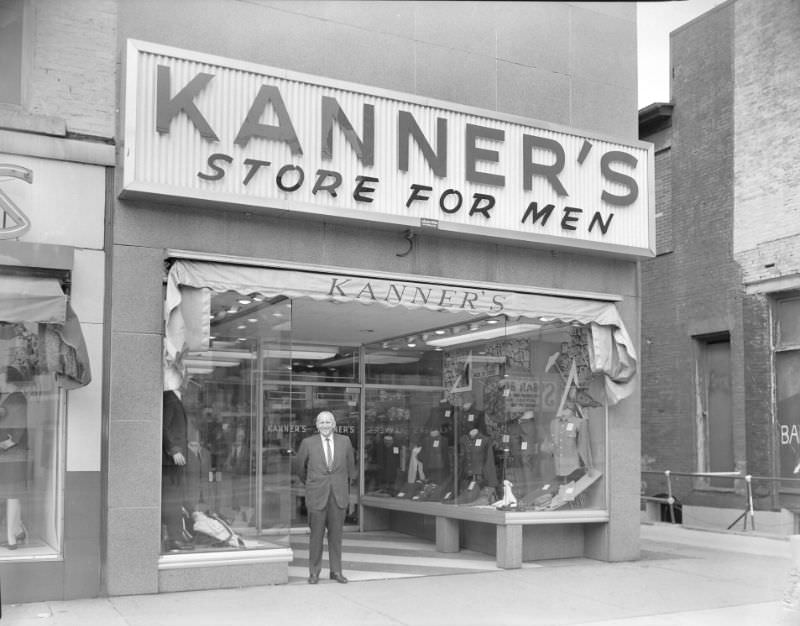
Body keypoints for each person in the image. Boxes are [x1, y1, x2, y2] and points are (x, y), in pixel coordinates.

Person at [296, 410, 356, 584]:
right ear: (317, 425)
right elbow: (300, 469)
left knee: (336, 536)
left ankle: (336, 571)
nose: (325, 425)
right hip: (317, 495)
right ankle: (314, 572)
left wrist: (342, 486)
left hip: (338, 495)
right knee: (316, 535)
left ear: (334, 424)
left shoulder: (345, 441)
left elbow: (351, 469)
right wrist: (312, 483)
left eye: (328, 422)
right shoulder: (308, 443)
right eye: (321, 422)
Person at [162, 389, 193, 551]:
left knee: (176, 499)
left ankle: (176, 536)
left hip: (174, 461)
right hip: (170, 462)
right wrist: (173, 450)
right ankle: (175, 538)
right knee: (173, 501)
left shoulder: (174, 399)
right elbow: (164, 426)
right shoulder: (170, 399)